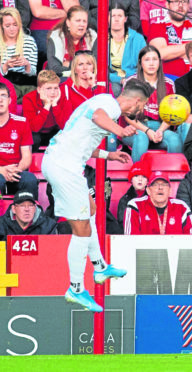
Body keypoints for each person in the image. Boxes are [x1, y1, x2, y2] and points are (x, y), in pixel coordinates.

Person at [41, 78, 152, 313]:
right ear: (136, 101)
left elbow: (80, 141)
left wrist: (108, 156)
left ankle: (100, 267)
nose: (139, 112)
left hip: (63, 162)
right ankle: (76, 288)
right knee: (82, 229)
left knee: (91, 210)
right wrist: (121, 131)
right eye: (141, 107)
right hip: (64, 167)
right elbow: (97, 117)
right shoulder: (108, 106)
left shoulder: (100, 102)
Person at [109, 45, 183, 162]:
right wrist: (147, 131)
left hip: (159, 127)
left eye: (154, 59)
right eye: (147, 60)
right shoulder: (131, 82)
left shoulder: (168, 84)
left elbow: (171, 115)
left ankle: (174, 179)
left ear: (159, 62)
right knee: (142, 138)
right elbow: (127, 115)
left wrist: (160, 131)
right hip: (135, 127)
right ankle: (138, 176)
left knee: (174, 139)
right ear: (140, 63)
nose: (151, 63)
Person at [148, 0, 192, 80]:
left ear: (188, 5)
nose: (180, 5)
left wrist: (172, 51)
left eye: (184, 1)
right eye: (176, 1)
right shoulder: (157, 27)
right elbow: (161, 54)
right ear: (167, 4)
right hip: (167, 83)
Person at [124, 170, 192, 235]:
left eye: (164, 184)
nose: (160, 188)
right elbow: (130, 241)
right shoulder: (135, 206)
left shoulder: (181, 207)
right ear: (148, 190)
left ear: (170, 190)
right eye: (155, 185)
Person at [0, 82, 37, 198]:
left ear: (10, 100)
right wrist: (1, 170)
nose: (0, 100)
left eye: (3, 96)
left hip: (16, 171)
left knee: (30, 179)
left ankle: (30, 214)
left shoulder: (21, 122)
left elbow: (27, 157)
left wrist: (15, 171)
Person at [23, 69, 71, 151]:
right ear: (39, 89)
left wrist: (55, 105)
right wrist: (47, 106)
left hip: (53, 132)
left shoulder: (62, 98)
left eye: (56, 88)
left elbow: (65, 127)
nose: (53, 92)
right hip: (36, 133)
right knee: (33, 138)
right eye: (48, 88)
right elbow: (33, 128)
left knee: (67, 137)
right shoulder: (29, 98)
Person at [108, 2, 146, 97]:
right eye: (113, 16)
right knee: (115, 89)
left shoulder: (138, 39)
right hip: (110, 80)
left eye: (120, 16)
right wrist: (119, 80)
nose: (116, 19)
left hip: (134, 79)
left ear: (125, 19)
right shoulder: (101, 39)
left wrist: (131, 79)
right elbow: (99, 69)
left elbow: (144, 65)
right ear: (108, 18)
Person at [47, 5, 97, 78]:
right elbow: (55, 69)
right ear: (68, 23)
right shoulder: (56, 37)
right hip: (63, 79)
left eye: (84, 21)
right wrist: (81, 67)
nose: (82, 24)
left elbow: (97, 65)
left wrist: (70, 65)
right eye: (78, 21)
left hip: (88, 79)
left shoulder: (93, 37)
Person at [0, 7, 37, 100]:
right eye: (7, 26)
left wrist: (27, 65)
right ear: (1, 26)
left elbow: (33, 72)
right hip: (3, 85)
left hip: (25, 83)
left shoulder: (29, 42)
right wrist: (5, 66)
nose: (12, 29)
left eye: (15, 25)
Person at [29, 0, 77, 68]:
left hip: (66, 29)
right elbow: (38, 12)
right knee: (48, 52)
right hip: (42, 29)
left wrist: (70, 13)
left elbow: (75, 11)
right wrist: (67, 13)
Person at [60, 51, 98, 115]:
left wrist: (94, 86)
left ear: (94, 68)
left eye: (89, 64)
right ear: (74, 69)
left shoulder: (103, 85)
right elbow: (64, 119)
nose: (85, 68)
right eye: (80, 64)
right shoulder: (65, 88)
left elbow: (107, 110)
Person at [116, 160, 149, 227]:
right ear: (131, 180)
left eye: (144, 176)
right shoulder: (124, 200)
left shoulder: (153, 198)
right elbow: (122, 223)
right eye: (136, 176)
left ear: (147, 181)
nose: (140, 179)